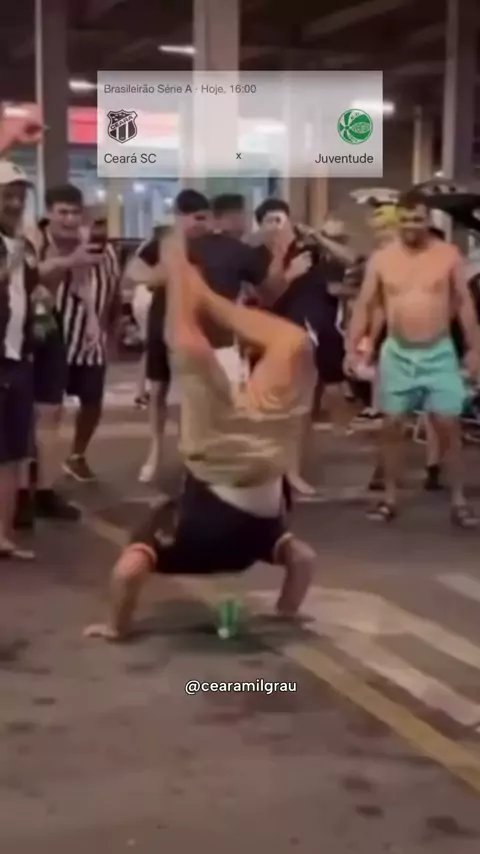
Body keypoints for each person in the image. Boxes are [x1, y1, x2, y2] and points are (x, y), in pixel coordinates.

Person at [84, 231, 318, 641]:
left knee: (198, 348)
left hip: (249, 475)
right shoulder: (178, 528)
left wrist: (115, 628)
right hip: (252, 470)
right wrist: (285, 613)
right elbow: (303, 560)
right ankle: (192, 282)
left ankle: (182, 271)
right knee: (285, 343)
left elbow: (128, 572)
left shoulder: (172, 533)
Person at [345, 189, 480, 526]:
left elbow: (464, 303)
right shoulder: (382, 259)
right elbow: (365, 304)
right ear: (398, 221)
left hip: (439, 352)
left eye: (417, 219)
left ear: (427, 220)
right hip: (398, 353)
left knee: (448, 425)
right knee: (392, 426)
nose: (411, 225)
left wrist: (475, 348)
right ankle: (389, 498)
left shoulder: (447, 255)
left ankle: (459, 500)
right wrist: (352, 346)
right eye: (405, 219)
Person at [126, 189, 273, 483]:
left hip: (205, 333)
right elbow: (134, 269)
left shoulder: (224, 247)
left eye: (203, 218)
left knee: (201, 396)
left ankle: (202, 458)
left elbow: (261, 283)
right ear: (179, 217)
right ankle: (155, 451)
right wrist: (162, 275)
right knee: (158, 390)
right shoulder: (166, 242)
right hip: (163, 322)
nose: (198, 224)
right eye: (193, 218)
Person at [253, 198, 350, 494]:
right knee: (277, 409)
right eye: (270, 221)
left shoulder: (309, 248)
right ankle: (279, 470)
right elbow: (262, 297)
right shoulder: (256, 257)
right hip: (275, 337)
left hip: (312, 335)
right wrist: (289, 275)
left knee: (303, 408)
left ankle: (293, 469)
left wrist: (318, 236)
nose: (277, 226)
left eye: (281, 220)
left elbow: (350, 259)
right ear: (260, 226)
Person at [43, 186, 121, 483]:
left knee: (92, 401)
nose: (69, 219)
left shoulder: (105, 250)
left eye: (75, 212)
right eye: (62, 212)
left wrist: (111, 334)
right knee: (48, 409)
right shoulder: (40, 245)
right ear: (49, 213)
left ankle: (77, 455)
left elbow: (113, 293)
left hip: (89, 341)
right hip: (49, 339)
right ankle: (38, 467)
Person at [0, 161, 39, 559]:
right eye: (6, 196)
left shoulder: (24, 246)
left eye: (19, 196)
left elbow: (30, 291)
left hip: (19, 361)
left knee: (13, 453)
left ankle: (3, 534)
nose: (14, 203)